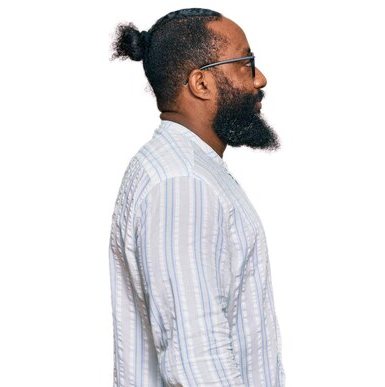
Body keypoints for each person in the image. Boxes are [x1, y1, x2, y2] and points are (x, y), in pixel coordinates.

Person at [108, 8, 284, 387]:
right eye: (246, 64)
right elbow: (197, 362)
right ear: (200, 83)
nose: (260, 79)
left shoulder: (184, 169)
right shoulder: (181, 183)